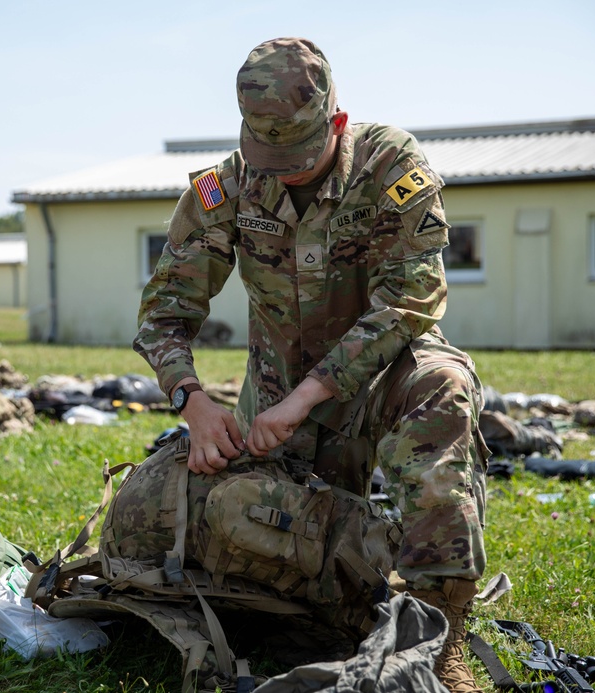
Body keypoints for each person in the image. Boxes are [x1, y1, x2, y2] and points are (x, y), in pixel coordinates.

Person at [133, 37, 489, 693]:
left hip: (385, 374)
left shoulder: (390, 164)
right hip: (276, 396)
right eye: (271, 158)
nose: (286, 173)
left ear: (339, 123)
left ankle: (444, 640)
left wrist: (310, 394)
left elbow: (413, 297)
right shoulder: (228, 186)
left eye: (300, 157)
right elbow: (164, 311)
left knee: (446, 387)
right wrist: (194, 401)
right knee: (292, 555)